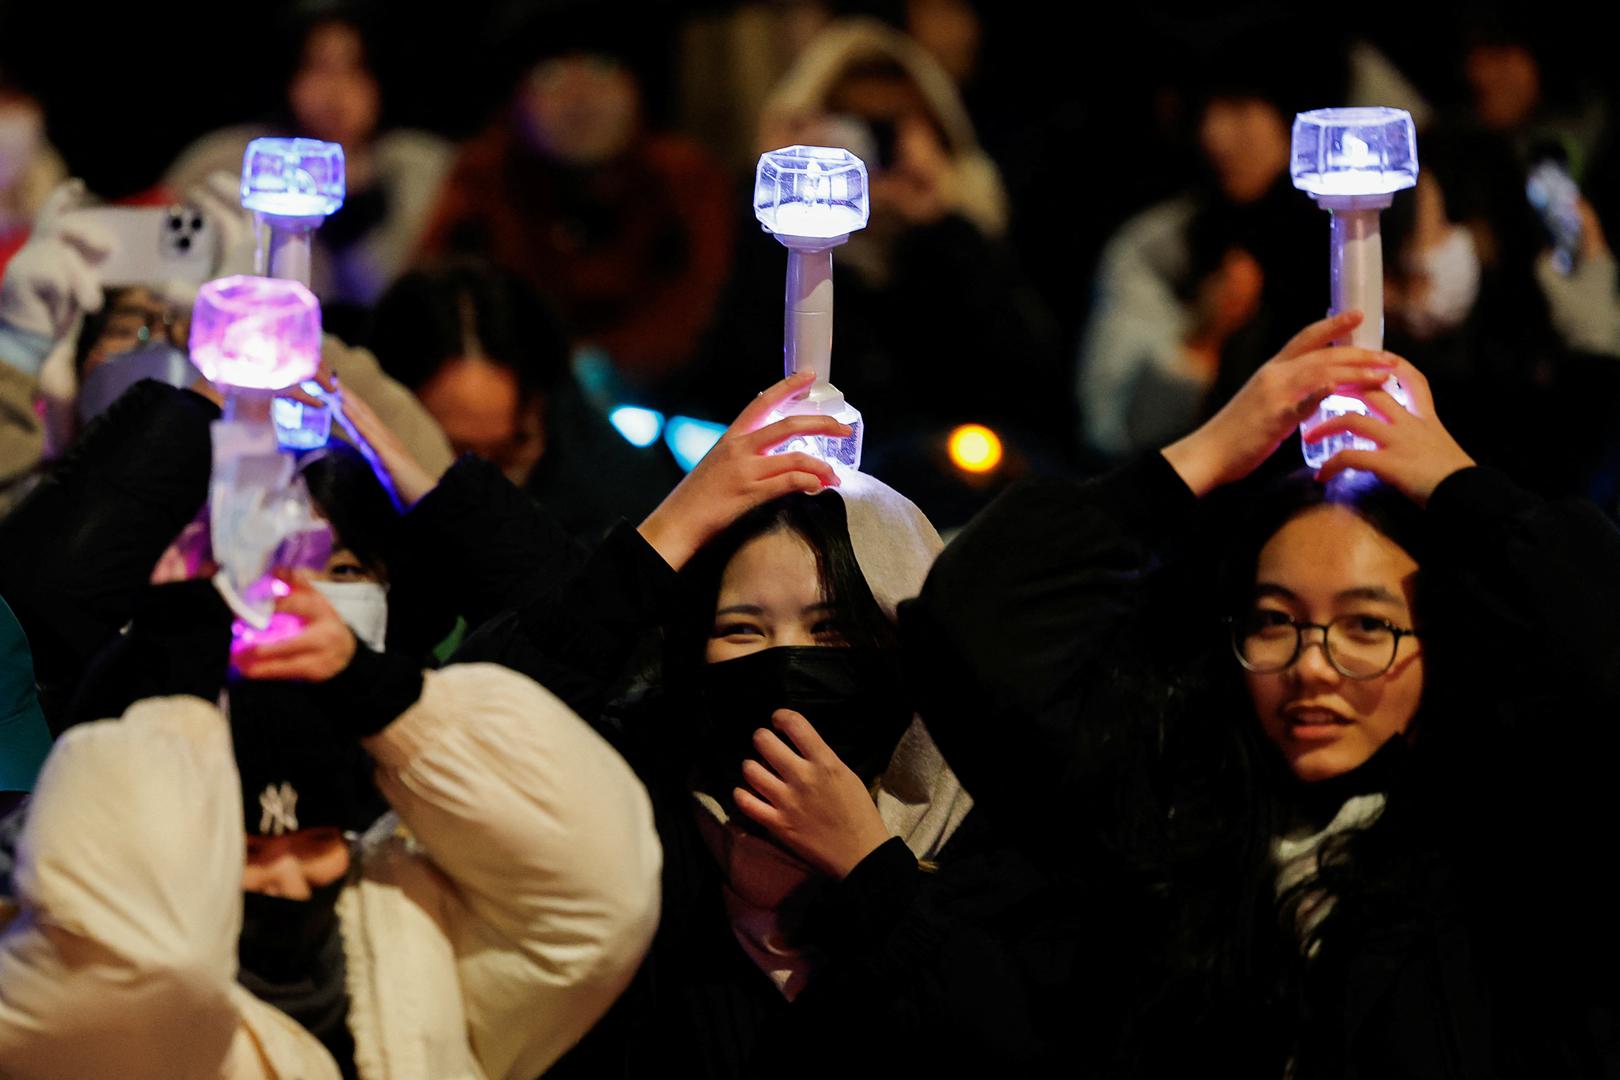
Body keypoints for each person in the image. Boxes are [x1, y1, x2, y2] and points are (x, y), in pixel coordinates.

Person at [904, 309, 1620, 1074]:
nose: (1312, 666)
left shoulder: (1511, 842)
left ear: (1437, 646)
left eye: (1366, 627)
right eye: (1276, 621)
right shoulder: (1166, 814)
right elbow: (977, 621)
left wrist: (1455, 483)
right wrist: (1205, 454)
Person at [387, 372, 1055, 1075]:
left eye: (831, 632)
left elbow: (1020, 1048)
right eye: (742, 631)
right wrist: (671, 529)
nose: (785, 661)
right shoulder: (645, 825)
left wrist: (870, 872)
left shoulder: (997, 842)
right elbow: (467, 731)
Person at [0, 561, 660, 1079]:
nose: (288, 881)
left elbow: (598, 893)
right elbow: (136, 968)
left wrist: (386, 699)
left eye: (317, 840)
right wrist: (170, 676)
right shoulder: (41, 970)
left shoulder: (407, 924)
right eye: (248, 849)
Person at [416, 8, 732, 394]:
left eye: (602, 68)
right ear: (516, 97)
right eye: (552, 76)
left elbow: (703, 308)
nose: (580, 97)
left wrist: (607, 363)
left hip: (665, 404)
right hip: (515, 401)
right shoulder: (483, 176)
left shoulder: (683, 176)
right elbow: (434, 305)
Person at [164, 0, 455, 327]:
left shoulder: (421, 168)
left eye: (355, 67)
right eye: (318, 68)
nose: (336, 91)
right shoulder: (226, 159)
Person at [366, 261, 679, 539]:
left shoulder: (623, 509)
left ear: (541, 408)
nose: (482, 489)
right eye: (454, 453)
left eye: (507, 455)